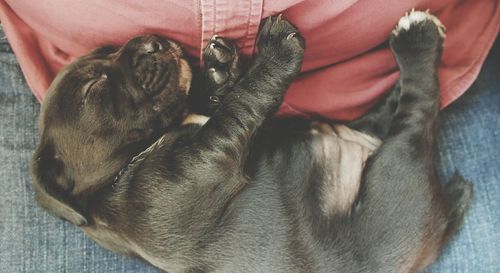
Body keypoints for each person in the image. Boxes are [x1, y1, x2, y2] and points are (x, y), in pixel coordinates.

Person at [0, 1, 498, 272]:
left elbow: (222, 146)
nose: (134, 53)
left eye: (105, 57)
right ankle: (417, 91)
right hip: (365, 239)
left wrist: (222, 94)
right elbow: (223, 146)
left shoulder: (136, 178)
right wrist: (275, 66)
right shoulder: (144, 210)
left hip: (312, 164)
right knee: (404, 156)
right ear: (60, 175)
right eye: (98, 86)